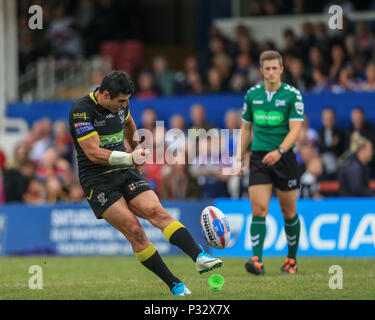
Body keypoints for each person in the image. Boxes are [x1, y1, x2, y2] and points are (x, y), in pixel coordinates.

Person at [68, 71, 222, 296]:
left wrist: (135, 147)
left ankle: (199, 257)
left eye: (127, 100)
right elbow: (93, 153)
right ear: (105, 95)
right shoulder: (81, 111)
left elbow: (129, 123)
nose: (124, 105)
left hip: (124, 170)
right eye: (120, 101)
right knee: (134, 230)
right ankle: (174, 284)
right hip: (97, 180)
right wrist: (130, 158)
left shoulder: (121, 105)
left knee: (155, 211)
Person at [235, 50, 304, 275]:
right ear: (261, 71)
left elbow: (296, 130)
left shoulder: (293, 95)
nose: (272, 72)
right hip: (258, 158)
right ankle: (257, 260)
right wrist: (238, 158)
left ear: (282, 69)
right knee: (259, 208)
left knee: (288, 211)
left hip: (284, 158)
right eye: (268, 68)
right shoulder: (252, 95)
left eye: (275, 68)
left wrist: (280, 150)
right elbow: (245, 128)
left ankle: (291, 261)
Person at [337, 132, 374, 197]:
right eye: (370, 150)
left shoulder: (360, 165)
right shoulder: (354, 166)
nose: (372, 152)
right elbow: (356, 189)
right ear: (362, 150)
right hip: (350, 204)